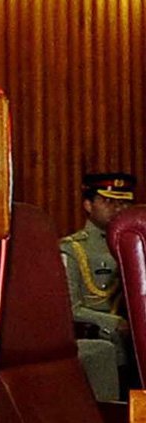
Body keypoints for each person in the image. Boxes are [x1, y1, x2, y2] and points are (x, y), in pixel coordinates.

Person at [60, 171, 137, 401]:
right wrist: (115, 323)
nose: (118, 208)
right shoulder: (73, 249)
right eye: (108, 201)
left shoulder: (137, 245)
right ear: (88, 205)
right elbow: (70, 309)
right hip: (103, 338)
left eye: (124, 202)